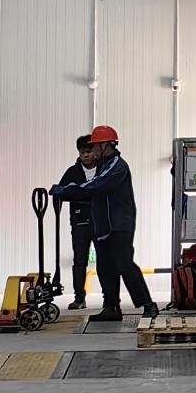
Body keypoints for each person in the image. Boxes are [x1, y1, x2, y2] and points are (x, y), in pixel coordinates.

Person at [53, 127, 156, 323]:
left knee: (124, 264)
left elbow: (98, 184)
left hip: (119, 225)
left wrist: (67, 190)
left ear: (105, 146)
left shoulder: (116, 165)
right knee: (105, 266)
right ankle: (111, 307)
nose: (92, 151)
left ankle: (148, 304)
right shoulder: (103, 165)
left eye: (95, 147)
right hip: (104, 226)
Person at [51, 135, 95, 306]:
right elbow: (59, 193)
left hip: (102, 222)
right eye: (83, 152)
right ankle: (79, 297)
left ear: (95, 151)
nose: (86, 155)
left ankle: (110, 300)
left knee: (106, 260)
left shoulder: (104, 169)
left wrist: (77, 193)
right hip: (80, 222)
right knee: (79, 261)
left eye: (89, 151)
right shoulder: (72, 172)